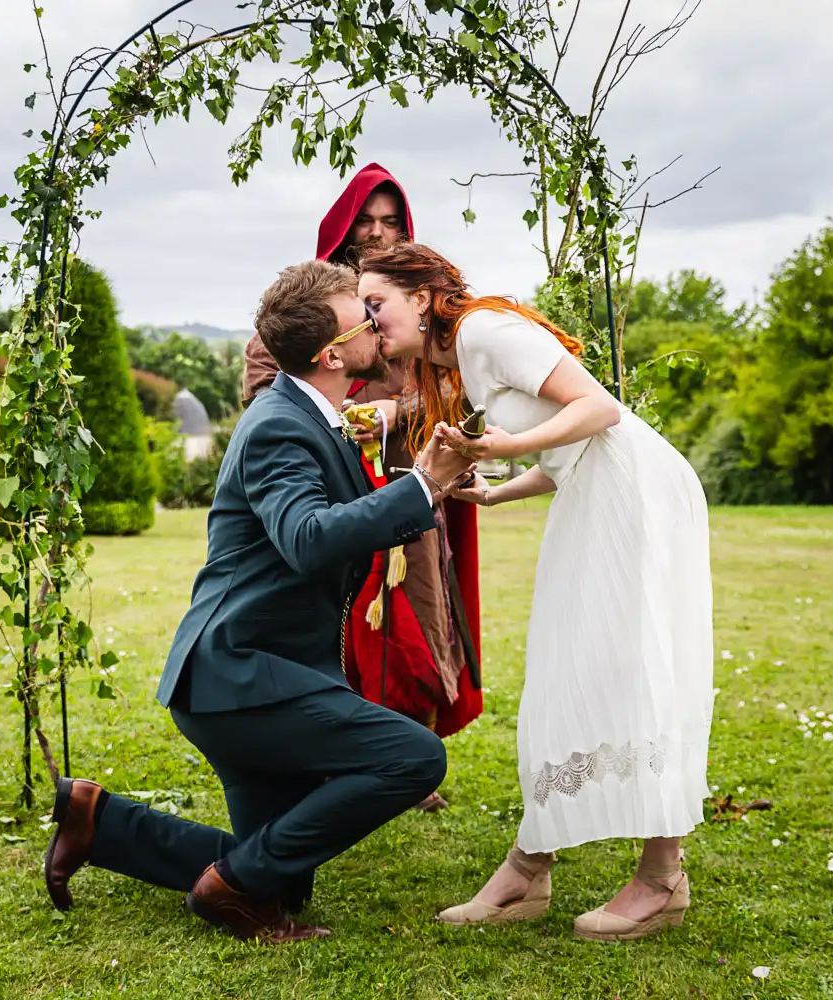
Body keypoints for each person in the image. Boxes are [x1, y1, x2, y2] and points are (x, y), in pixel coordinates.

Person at [42, 260, 475, 944]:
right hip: (239, 678)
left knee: (284, 878)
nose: (376, 318)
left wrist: (429, 486)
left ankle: (101, 822)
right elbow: (307, 539)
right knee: (414, 757)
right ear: (333, 353)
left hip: (260, 672)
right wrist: (420, 487)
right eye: (364, 311)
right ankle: (230, 893)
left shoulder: (311, 413)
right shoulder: (279, 425)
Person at [357, 243, 714, 943]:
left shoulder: (486, 330)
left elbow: (600, 411)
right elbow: (562, 451)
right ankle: (531, 866)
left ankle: (659, 876)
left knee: (626, 666)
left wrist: (504, 451)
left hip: (636, 495)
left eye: (377, 305)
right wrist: (497, 492)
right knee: (567, 671)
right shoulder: (455, 362)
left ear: (422, 297)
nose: (371, 322)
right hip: (595, 491)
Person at [243, 163, 483, 811]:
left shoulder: (415, 312)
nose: (377, 234)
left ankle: (401, 752)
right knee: (330, 628)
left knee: (417, 623)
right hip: (329, 500)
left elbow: (446, 391)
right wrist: (350, 414)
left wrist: (397, 414)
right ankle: (336, 756)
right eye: (365, 221)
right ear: (344, 228)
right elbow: (271, 392)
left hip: (407, 492)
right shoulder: (308, 311)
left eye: (390, 221)